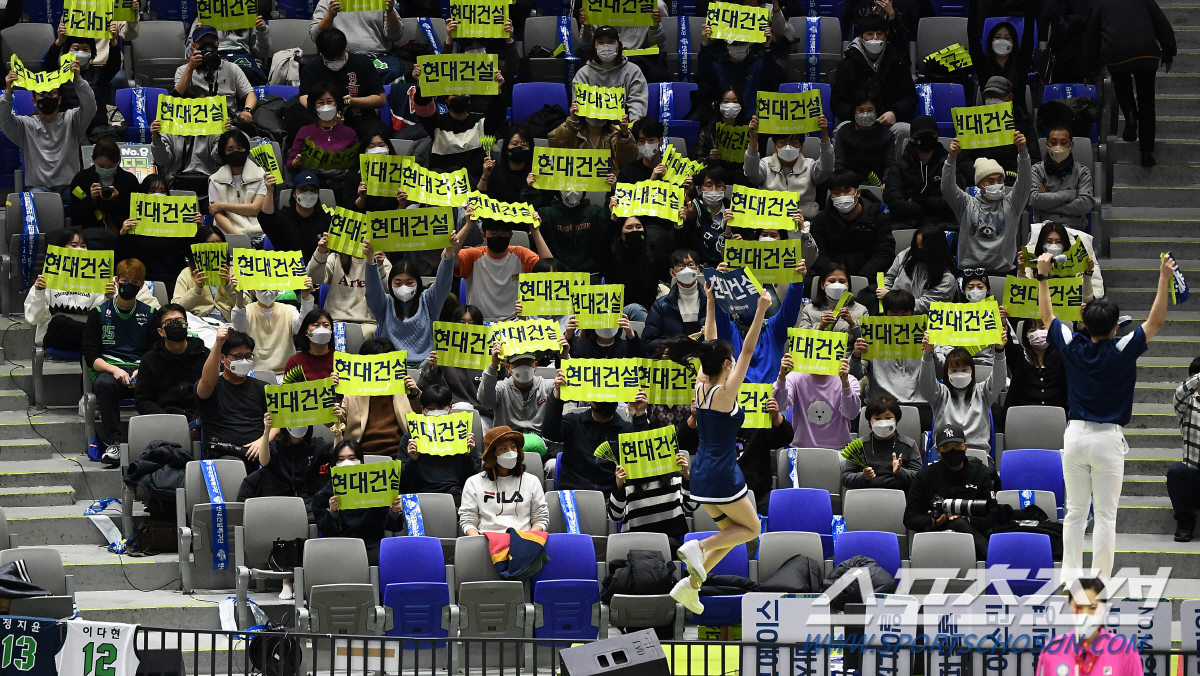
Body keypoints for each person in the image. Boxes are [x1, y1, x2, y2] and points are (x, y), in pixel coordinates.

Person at [1040, 251, 1174, 582]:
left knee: (1074, 513)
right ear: (1116, 327)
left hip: (1075, 437)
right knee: (1105, 516)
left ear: (1084, 322)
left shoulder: (1072, 345)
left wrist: (1043, 277)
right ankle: (1098, 582)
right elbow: (1156, 322)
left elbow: (1047, 317)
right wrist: (1163, 279)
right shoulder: (1122, 349)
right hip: (1107, 441)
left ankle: (1070, 580)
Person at [663, 290, 772, 615]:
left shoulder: (700, 384)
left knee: (731, 533)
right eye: (731, 359)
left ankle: (690, 585)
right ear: (726, 364)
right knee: (752, 530)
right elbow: (749, 349)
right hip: (723, 474)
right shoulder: (725, 393)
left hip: (700, 473)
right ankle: (698, 545)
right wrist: (761, 309)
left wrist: (710, 302)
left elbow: (710, 340)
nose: (735, 361)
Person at [26, 229, 153, 351]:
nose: (80, 249)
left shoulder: (98, 278)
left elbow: (101, 317)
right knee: (59, 322)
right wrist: (39, 292)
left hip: (87, 337)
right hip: (56, 335)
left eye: (83, 246)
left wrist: (107, 297)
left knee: (101, 329)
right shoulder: (47, 279)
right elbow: (34, 319)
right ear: (61, 249)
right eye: (73, 245)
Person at [82, 259, 156, 465]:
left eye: (135, 282)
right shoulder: (98, 314)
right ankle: (113, 443)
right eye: (125, 280)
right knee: (105, 384)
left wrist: (143, 369)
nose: (129, 285)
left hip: (140, 371)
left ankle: (155, 444)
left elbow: (155, 352)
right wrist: (114, 370)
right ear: (116, 281)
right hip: (109, 370)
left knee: (160, 383)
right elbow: (91, 355)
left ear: (141, 285)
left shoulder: (150, 314)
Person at [365, 217, 467, 365]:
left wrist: (449, 252)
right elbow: (372, 290)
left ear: (418, 283)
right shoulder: (385, 304)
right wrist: (369, 260)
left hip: (425, 366)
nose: (404, 287)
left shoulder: (428, 301)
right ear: (390, 284)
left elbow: (443, 283)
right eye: (398, 283)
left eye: (409, 282)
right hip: (392, 367)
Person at [1085, 0, 1175, 167]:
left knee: (1122, 87)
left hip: (1116, 53)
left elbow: (1091, 37)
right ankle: (1146, 153)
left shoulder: (1101, 4)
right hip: (1145, 52)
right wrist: (1168, 52)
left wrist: (1089, 70)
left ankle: (1130, 115)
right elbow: (1162, 24)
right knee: (1147, 103)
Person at [0, 59, 94, 202]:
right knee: (38, 203)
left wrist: (78, 80)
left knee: (86, 201)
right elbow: (4, 119)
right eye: (42, 95)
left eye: (52, 94)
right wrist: (8, 92)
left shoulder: (72, 119)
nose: (47, 98)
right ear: (34, 101)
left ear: (59, 99)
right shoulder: (25, 125)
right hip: (39, 189)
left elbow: (90, 107)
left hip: (70, 187)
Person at [903, 423, 998, 560]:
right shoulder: (924, 476)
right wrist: (932, 521)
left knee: (960, 523)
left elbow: (992, 515)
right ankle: (994, 560)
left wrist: (968, 519)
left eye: (957, 445)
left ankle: (991, 560)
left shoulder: (981, 474)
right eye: (946, 447)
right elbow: (909, 517)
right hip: (934, 536)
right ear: (938, 451)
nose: (952, 450)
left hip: (973, 536)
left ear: (965, 447)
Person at [545, 373, 650, 494]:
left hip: (608, 497)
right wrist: (558, 396)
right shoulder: (573, 422)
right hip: (572, 495)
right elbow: (550, 432)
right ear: (589, 400)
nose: (606, 399)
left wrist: (640, 413)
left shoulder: (626, 430)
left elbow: (643, 458)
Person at [709, 257, 808, 384]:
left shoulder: (774, 329)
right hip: (736, 395)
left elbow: (790, 310)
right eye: (743, 299)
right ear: (734, 309)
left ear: (764, 303)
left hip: (772, 395)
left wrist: (797, 281)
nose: (749, 303)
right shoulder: (728, 331)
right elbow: (717, 313)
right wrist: (718, 283)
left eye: (755, 298)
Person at [944, 131, 1031, 275]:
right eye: (991, 181)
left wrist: (1023, 152)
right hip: (970, 273)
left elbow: (1025, 181)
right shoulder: (966, 204)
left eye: (1000, 179)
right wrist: (951, 158)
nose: (997, 184)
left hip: (1003, 272)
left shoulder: (1012, 204)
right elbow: (947, 188)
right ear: (979, 185)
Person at [850, 289, 932, 430]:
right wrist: (856, 356)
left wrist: (930, 353)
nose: (899, 320)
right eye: (894, 315)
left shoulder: (926, 336)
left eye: (904, 315)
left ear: (913, 314)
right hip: (879, 404)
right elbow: (854, 374)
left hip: (919, 404)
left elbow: (942, 370)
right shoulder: (872, 336)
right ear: (885, 314)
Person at [920, 327, 1007, 458]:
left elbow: (999, 380)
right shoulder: (939, 393)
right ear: (947, 372)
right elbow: (925, 383)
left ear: (972, 371)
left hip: (977, 453)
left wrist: (999, 351)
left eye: (964, 370)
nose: (959, 374)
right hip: (944, 453)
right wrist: (927, 355)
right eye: (954, 370)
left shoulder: (983, 392)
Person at [313, 439, 404, 565]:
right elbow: (323, 529)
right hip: (340, 546)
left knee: (389, 560)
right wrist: (332, 512)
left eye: (352, 458)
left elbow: (390, 525)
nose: (346, 463)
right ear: (334, 464)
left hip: (371, 546)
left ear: (361, 461)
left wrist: (394, 512)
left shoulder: (377, 488)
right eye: (341, 460)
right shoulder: (325, 494)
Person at [196, 327, 274, 472]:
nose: (243, 361)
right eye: (237, 356)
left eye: (248, 356)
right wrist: (218, 344)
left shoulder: (264, 388)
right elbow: (207, 381)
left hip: (260, 452)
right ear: (222, 358)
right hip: (224, 455)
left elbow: (279, 421)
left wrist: (263, 441)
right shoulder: (211, 388)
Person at [830, 15, 917, 141]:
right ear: (861, 37)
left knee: (905, 130)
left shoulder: (898, 63)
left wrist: (895, 113)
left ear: (885, 37)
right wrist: (857, 115)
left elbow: (910, 97)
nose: (875, 38)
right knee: (841, 129)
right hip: (856, 123)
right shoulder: (846, 65)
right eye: (869, 34)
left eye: (880, 34)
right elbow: (837, 102)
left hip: (888, 123)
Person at [1035, 578, 1144, 676]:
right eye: (1079, 607)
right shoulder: (1052, 650)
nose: (1085, 615)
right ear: (1069, 606)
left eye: (1092, 608)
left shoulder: (1125, 650)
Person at [333, 337, 422, 457]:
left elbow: (422, 414)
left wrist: (414, 394)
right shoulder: (352, 391)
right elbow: (333, 421)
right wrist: (337, 394)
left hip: (399, 454)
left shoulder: (404, 387)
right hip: (360, 455)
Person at [809, 169, 895, 288]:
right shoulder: (821, 219)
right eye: (836, 193)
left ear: (858, 192)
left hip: (868, 277)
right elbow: (817, 253)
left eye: (847, 191)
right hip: (832, 277)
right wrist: (836, 275)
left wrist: (863, 277)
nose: (842, 197)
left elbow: (884, 253)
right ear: (831, 195)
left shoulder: (878, 219)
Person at [458, 426, 549, 535]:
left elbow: (541, 519)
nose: (510, 452)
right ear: (492, 454)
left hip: (524, 539)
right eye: (503, 448)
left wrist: (526, 539)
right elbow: (468, 520)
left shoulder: (532, 481)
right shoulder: (474, 482)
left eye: (513, 447)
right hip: (486, 540)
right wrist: (478, 539)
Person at [954, 77, 1041, 188]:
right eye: (989, 96)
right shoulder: (972, 122)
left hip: (1014, 184)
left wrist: (1011, 176)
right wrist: (982, 176)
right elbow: (962, 160)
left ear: (1009, 97)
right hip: (980, 183)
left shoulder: (1023, 122)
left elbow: (1034, 159)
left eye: (998, 96)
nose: (992, 100)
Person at [119, 174, 198, 292]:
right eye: (153, 191)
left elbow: (189, 252)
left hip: (174, 278)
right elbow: (124, 256)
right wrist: (123, 234)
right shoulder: (134, 221)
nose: (158, 195)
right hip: (143, 279)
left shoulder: (178, 219)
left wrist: (196, 229)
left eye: (162, 191)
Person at [402, 385, 479, 505]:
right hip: (418, 495)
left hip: (454, 494)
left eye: (441, 408)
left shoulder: (463, 436)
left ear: (450, 407)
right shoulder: (410, 438)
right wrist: (413, 460)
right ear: (423, 410)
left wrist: (467, 456)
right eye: (431, 408)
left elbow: (475, 478)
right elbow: (401, 481)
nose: (436, 413)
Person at [455, 218, 543, 322]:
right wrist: (468, 224)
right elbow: (447, 258)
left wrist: (536, 231)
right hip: (479, 322)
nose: (498, 238)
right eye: (493, 234)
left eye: (503, 235)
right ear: (484, 236)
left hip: (514, 321)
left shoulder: (521, 254)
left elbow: (551, 268)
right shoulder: (473, 255)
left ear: (510, 236)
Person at [299, 28, 386, 132]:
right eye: (329, 59)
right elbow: (304, 98)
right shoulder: (311, 68)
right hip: (322, 119)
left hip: (360, 119)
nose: (334, 61)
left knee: (377, 132)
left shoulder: (363, 64)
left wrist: (353, 101)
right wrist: (325, 111)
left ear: (345, 49)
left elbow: (380, 99)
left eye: (339, 57)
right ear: (320, 53)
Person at [133, 303, 209, 422]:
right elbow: (142, 400)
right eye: (168, 322)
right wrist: (169, 421)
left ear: (186, 325)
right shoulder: (149, 359)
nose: (175, 325)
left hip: (201, 418)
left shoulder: (204, 355)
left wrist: (196, 422)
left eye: (179, 321)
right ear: (160, 332)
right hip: (164, 420)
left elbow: (213, 393)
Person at [608, 446, 694, 551]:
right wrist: (619, 486)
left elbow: (691, 507)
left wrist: (686, 476)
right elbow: (615, 516)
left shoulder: (675, 478)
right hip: (636, 548)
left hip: (671, 546)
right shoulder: (627, 484)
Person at [744, 119, 832, 219]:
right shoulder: (765, 164)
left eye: (794, 143)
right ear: (775, 147)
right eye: (782, 142)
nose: (788, 147)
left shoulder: (810, 165)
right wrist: (753, 138)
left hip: (803, 221)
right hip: (770, 222)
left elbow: (827, 168)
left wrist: (824, 134)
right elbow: (751, 173)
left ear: (801, 147)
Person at [774, 349, 860, 450]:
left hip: (839, 450)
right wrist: (781, 376)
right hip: (801, 450)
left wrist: (845, 384)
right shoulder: (795, 377)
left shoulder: (850, 380)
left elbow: (851, 414)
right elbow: (779, 405)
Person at [419, 305, 493, 421]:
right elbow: (425, 392)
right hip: (447, 413)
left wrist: (499, 367)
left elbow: (498, 392)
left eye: (472, 323)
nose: (467, 327)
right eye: (461, 322)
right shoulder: (441, 354)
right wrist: (434, 370)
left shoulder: (490, 356)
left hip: (482, 415)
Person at [287, 83, 360, 198]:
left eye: (330, 101)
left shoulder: (349, 133)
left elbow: (356, 166)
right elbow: (289, 166)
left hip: (342, 188)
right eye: (321, 102)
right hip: (312, 187)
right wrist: (296, 162)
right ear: (314, 106)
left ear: (336, 103)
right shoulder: (305, 131)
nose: (326, 106)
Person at [697, 23, 779, 126]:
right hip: (723, 123)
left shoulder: (758, 66)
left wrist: (767, 47)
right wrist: (705, 43)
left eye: (742, 43)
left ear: (748, 43)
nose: (738, 47)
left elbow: (772, 77)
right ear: (727, 45)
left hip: (752, 123)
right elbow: (703, 74)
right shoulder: (718, 67)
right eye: (734, 44)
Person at [230, 275, 314, 376]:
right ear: (253, 290)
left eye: (272, 287)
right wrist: (239, 296)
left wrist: (306, 297)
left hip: (286, 371)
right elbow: (239, 328)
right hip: (255, 372)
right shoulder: (247, 311)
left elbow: (301, 329)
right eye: (263, 288)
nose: (268, 292)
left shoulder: (289, 310)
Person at [42, 31, 121, 137]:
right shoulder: (59, 75)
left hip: (97, 130)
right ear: (68, 51)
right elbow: (48, 66)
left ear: (92, 53)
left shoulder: (100, 74)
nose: (80, 53)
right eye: (75, 48)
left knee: (109, 144)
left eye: (85, 49)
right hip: (67, 129)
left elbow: (114, 64)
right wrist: (59, 41)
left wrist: (113, 42)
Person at [884, 115, 955, 228]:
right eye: (921, 136)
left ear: (937, 136)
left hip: (942, 225)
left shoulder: (949, 165)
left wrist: (918, 200)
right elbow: (895, 203)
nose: (926, 139)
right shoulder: (899, 166)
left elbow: (954, 201)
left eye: (931, 135)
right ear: (912, 138)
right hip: (907, 224)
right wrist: (933, 206)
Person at [309, 0, 404, 84]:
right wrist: (330, 16)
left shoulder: (383, 1)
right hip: (338, 56)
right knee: (315, 71)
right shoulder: (327, 1)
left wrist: (390, 11)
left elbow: (395, 36)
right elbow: (315, 36)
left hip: (376, 56)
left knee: (393, 72)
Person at [175, 26, 257, 122]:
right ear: (194, 46)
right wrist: (190, 68)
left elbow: (250, 94)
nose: (208, 47)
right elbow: (176, 97)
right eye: (203, 43)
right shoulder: (183, 70)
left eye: (212, 42)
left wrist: (247, 110)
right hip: (196, 121)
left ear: (217, 44)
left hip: (227, 121)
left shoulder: (232, 68)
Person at [841, 394, 923, 490]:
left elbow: (919, 478)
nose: (883, 423)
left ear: (896, 420)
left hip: (899, 495)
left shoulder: (909, 445)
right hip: (865, 495)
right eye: (878, 419)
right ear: (870, 421)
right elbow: (846, 478)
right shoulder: (857, 446)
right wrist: (863, 476)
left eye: (888, 418)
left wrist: (901, 472)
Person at [573, 26, 649, 122]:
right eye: (600, 42)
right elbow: (579, 105)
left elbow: (637, 101)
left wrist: (633, 124)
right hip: (592, 126)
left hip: (624, 124)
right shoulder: (583, 73)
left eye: (611, 42)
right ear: (594, 46)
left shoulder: (633, 71)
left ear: (618, 45)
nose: (606, 46)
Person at [209, 129, 274, 241]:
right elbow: (218, 214)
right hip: (228, 234)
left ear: (246, 149)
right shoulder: (215, 180)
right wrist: (239, 236)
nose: (236, 152)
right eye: (230, 149)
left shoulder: (261, 175)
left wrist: (223, 206)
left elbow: (255, 209)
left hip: (259, 232)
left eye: (239, 148)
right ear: (223, 154)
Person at [1029, 125, 1097, 229]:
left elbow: (1085, 204)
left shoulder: (1083, 172)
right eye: (1053, 142)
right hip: (1044, 228)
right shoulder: (1037, 170)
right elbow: (1034, 200)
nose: (1058, 147)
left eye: (1063, 142)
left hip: (1075, 229)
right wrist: (1070, 194)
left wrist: (1049, 206)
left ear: (1071, 145)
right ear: (1047, 145)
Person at [881, 224, 958, 314]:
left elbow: (926, 305)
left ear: (934, 248)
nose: (918, 249)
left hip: (924, 319)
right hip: (892, 313)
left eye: (922, 246)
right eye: (917, 245)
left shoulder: (947, 278)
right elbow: (890, 278)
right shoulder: (907, 254)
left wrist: (890, 299)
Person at [533, 187, 610, 276]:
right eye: (566, 188)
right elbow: (530, 214)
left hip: (591, 273)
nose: (572, 191)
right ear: (559, 191)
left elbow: (609, 221)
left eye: (577, 187)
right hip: (559, 274)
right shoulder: (547, 214)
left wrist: (612, 190)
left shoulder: (595, 212)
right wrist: (531, 189)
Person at [1017, 220, 1102, 300]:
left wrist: (1087, 273)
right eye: (1049, 242)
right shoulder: (1033, 260)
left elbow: (1086, 299)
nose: (1053, 245)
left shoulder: (1075, 261)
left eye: (1058, 242)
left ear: (1064, 244)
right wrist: (1021, 270)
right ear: (1042, 243)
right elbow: (1022, 297)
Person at [173, 226, 242, 323]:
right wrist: (196, 289)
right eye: (210, 244)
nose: (215, 248)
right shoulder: (187, 273)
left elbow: (246, 306)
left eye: (219, 243)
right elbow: (176, 309)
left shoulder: (233, 271)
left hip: (227, 323)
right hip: (198, 323)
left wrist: (229, 286)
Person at [1004, 317, 1069, 419]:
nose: (1038, 333)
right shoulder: (1018, 355)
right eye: (1032, 330)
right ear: (1026, 336)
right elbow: (1007, 344)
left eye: (1043, 328)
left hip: (1056, 416)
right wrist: (1003, 324)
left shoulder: (1061, 355)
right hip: (1023, 416)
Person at [478, 350, 556, 435]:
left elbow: (565, 394)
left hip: (540, 439)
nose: (524, 367)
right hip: (508, 439)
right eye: (518, 363)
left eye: (527, 363)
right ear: (508, 368)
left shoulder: (547, 386)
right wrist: (493, 366)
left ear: (535, 365)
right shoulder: (502, 388)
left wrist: (564, 358)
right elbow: (485, 401)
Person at [644, 250, 707, 353]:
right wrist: (678, 343)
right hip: (673, 360)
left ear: (698, 269)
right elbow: (648, 343)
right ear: (672, 272)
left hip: (705, 358)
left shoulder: (711, 302)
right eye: (681, 265)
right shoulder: (661, 306)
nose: (686, 269)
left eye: (690, 265)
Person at [601, 214, 661, 321]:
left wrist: (679, 227)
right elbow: (603, 245)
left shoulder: (652, 256)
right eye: (629, 228)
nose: (635, 230)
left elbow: (676, 257)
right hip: (619, 315)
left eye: (638, 227)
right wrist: (613, 221)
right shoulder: (611, 258)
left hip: (649, 314)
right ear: (621, 234)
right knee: (636, 309)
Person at [184, 12, 271, 84]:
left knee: (245, 74)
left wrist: (262, 32)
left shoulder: (248, 17)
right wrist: (196, 38)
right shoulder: (202, 18)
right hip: (212, 55)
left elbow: (262, 53)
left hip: (242, 57)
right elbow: (188, 55)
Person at [834, 89, 898, 187]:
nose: (865, 114)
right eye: (860, 110)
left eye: (870, 110)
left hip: (879, 185)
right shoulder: (844, 132)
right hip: (849, 185)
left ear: (876, 111)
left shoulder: (886, 135)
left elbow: (889, 164)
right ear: (855, 111)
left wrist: (886, 183)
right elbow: (839, 162)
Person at [548, 101, 637, 171]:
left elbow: (628, 162)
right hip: (576, 185)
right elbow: (555, 145)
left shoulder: (616, 135)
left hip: (608, 186)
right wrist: (572, 121)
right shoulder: (572, 130)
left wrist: (624, 134)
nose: (597, 112)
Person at [1169, 356, 1200, 542]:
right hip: (1193, 479)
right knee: (1176, 472)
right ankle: (1185, 522)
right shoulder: (1187, 404)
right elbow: (1181, 392)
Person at [693, 86, 750, 185]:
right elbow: (697, 163)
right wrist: (711, 158)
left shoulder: (748, 130)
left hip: (740, 176)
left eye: (735, 102)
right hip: (716, 175)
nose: (731, 105)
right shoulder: (708, 131)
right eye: (726, 102)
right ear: (719, 104)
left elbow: (755, 163)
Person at [799, 263, 867, 339]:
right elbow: (801, 340)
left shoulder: (861, 310)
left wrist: (853, 323)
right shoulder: (809, 310)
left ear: (848, 285)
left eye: (842, 282)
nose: (837, 286)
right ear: (822, 285)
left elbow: (869, 340)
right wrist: (820, 327)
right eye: (831, 281)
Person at [479, 125, 535, 204]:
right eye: (514, 144)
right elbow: (480, 197)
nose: (519, 147)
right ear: (506, 149)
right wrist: (485, 176)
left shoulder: (535, 173)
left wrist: (531, 188)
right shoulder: (495, 168)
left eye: (524, 145)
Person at [284, 308, 335, 381]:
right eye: (316, 325)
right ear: (306, 332)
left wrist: (341, 383)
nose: (321, 329)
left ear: (331, 330)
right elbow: (288, 387)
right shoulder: (295, 362)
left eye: (326, 325)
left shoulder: (341, 359)